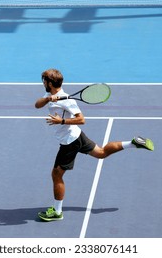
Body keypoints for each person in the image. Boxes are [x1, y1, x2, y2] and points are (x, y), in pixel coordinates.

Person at [35, 68, 154, 221]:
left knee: (56, 175)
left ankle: (57, 212)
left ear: (50, 83)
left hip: (69, 142)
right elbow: (37, 105)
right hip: (77, 136)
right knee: (102, 153)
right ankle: (133, 143)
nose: (43, 82)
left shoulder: (68, 101)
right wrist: (48, 99)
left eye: (44, 80)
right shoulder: (50, 95)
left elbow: (82, 119)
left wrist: (62, 121)